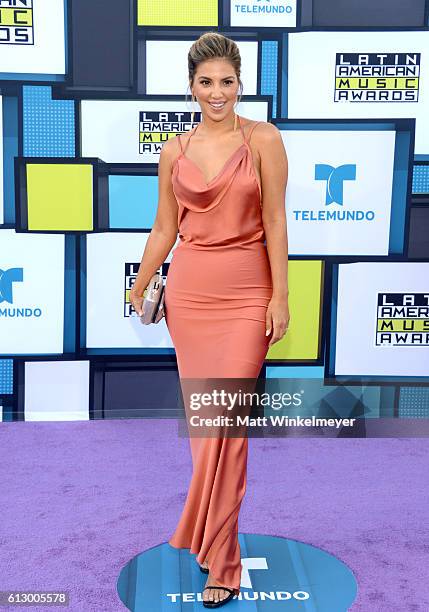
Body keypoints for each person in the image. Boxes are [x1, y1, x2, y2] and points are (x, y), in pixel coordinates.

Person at [130, 31, 289, 609]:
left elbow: (275, 221)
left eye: (227, 82)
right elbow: (164, 229)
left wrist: (281, 297)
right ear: (191, 87)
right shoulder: (174, 150)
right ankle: (216, 545)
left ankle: (221, 558)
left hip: (248, 295)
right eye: (206, 83)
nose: (217, 93)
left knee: (229, 427)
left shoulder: (264, 139)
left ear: (239, 84)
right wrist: (143, 280)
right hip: (191, 297)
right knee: (206, 429)